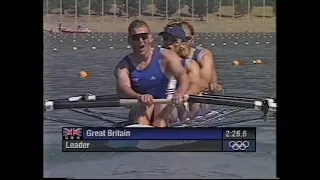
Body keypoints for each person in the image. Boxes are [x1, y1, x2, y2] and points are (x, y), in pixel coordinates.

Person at [114, 20, 190, 127]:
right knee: (142, 112)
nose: (141, 41)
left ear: (150, 38)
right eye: (136, 38)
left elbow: (183, 76)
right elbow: (124, 87)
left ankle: (158, 131)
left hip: (167, 101)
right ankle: (142, 131)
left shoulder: (167, 56)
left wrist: (180, 92)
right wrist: (139, 96)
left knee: (160, 114)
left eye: (144, 36)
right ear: (130, 40)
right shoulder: (123, 65)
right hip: (141, 103)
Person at [163, 19, 223, 93]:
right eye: (166, 38)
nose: (169, 43)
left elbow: (202, 84)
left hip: (197, 96)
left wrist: (179, 94)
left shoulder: (203, 55)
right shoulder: (161, 53)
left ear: (192, 39)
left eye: (186, 39)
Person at [158, 25, 201, 121]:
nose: (168, 44)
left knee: (170, 106)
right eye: (165, 39)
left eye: (173, 40)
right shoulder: (155, 62)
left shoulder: (189, 64)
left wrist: (182, 94)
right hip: (160, 101)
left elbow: (195, 86)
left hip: (181, 102)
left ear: (182, 44)